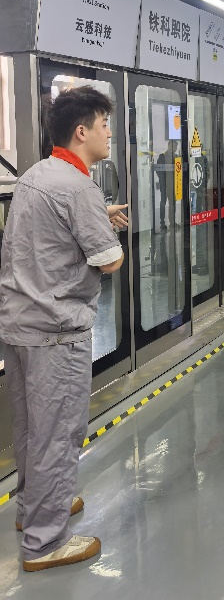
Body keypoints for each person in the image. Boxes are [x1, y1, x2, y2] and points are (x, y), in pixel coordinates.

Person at [0, 86, 127, 571]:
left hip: (20, 325)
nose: (108, 133)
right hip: (57, 332)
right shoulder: (78, 188)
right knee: (57, 433)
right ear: (81, 131)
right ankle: (45, 542)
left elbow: (48, 237)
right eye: (103, 124)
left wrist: (97, 217)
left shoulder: (36, 175)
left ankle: (34, 508)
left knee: (30, 428)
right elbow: (109, 260)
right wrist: (104, 224)